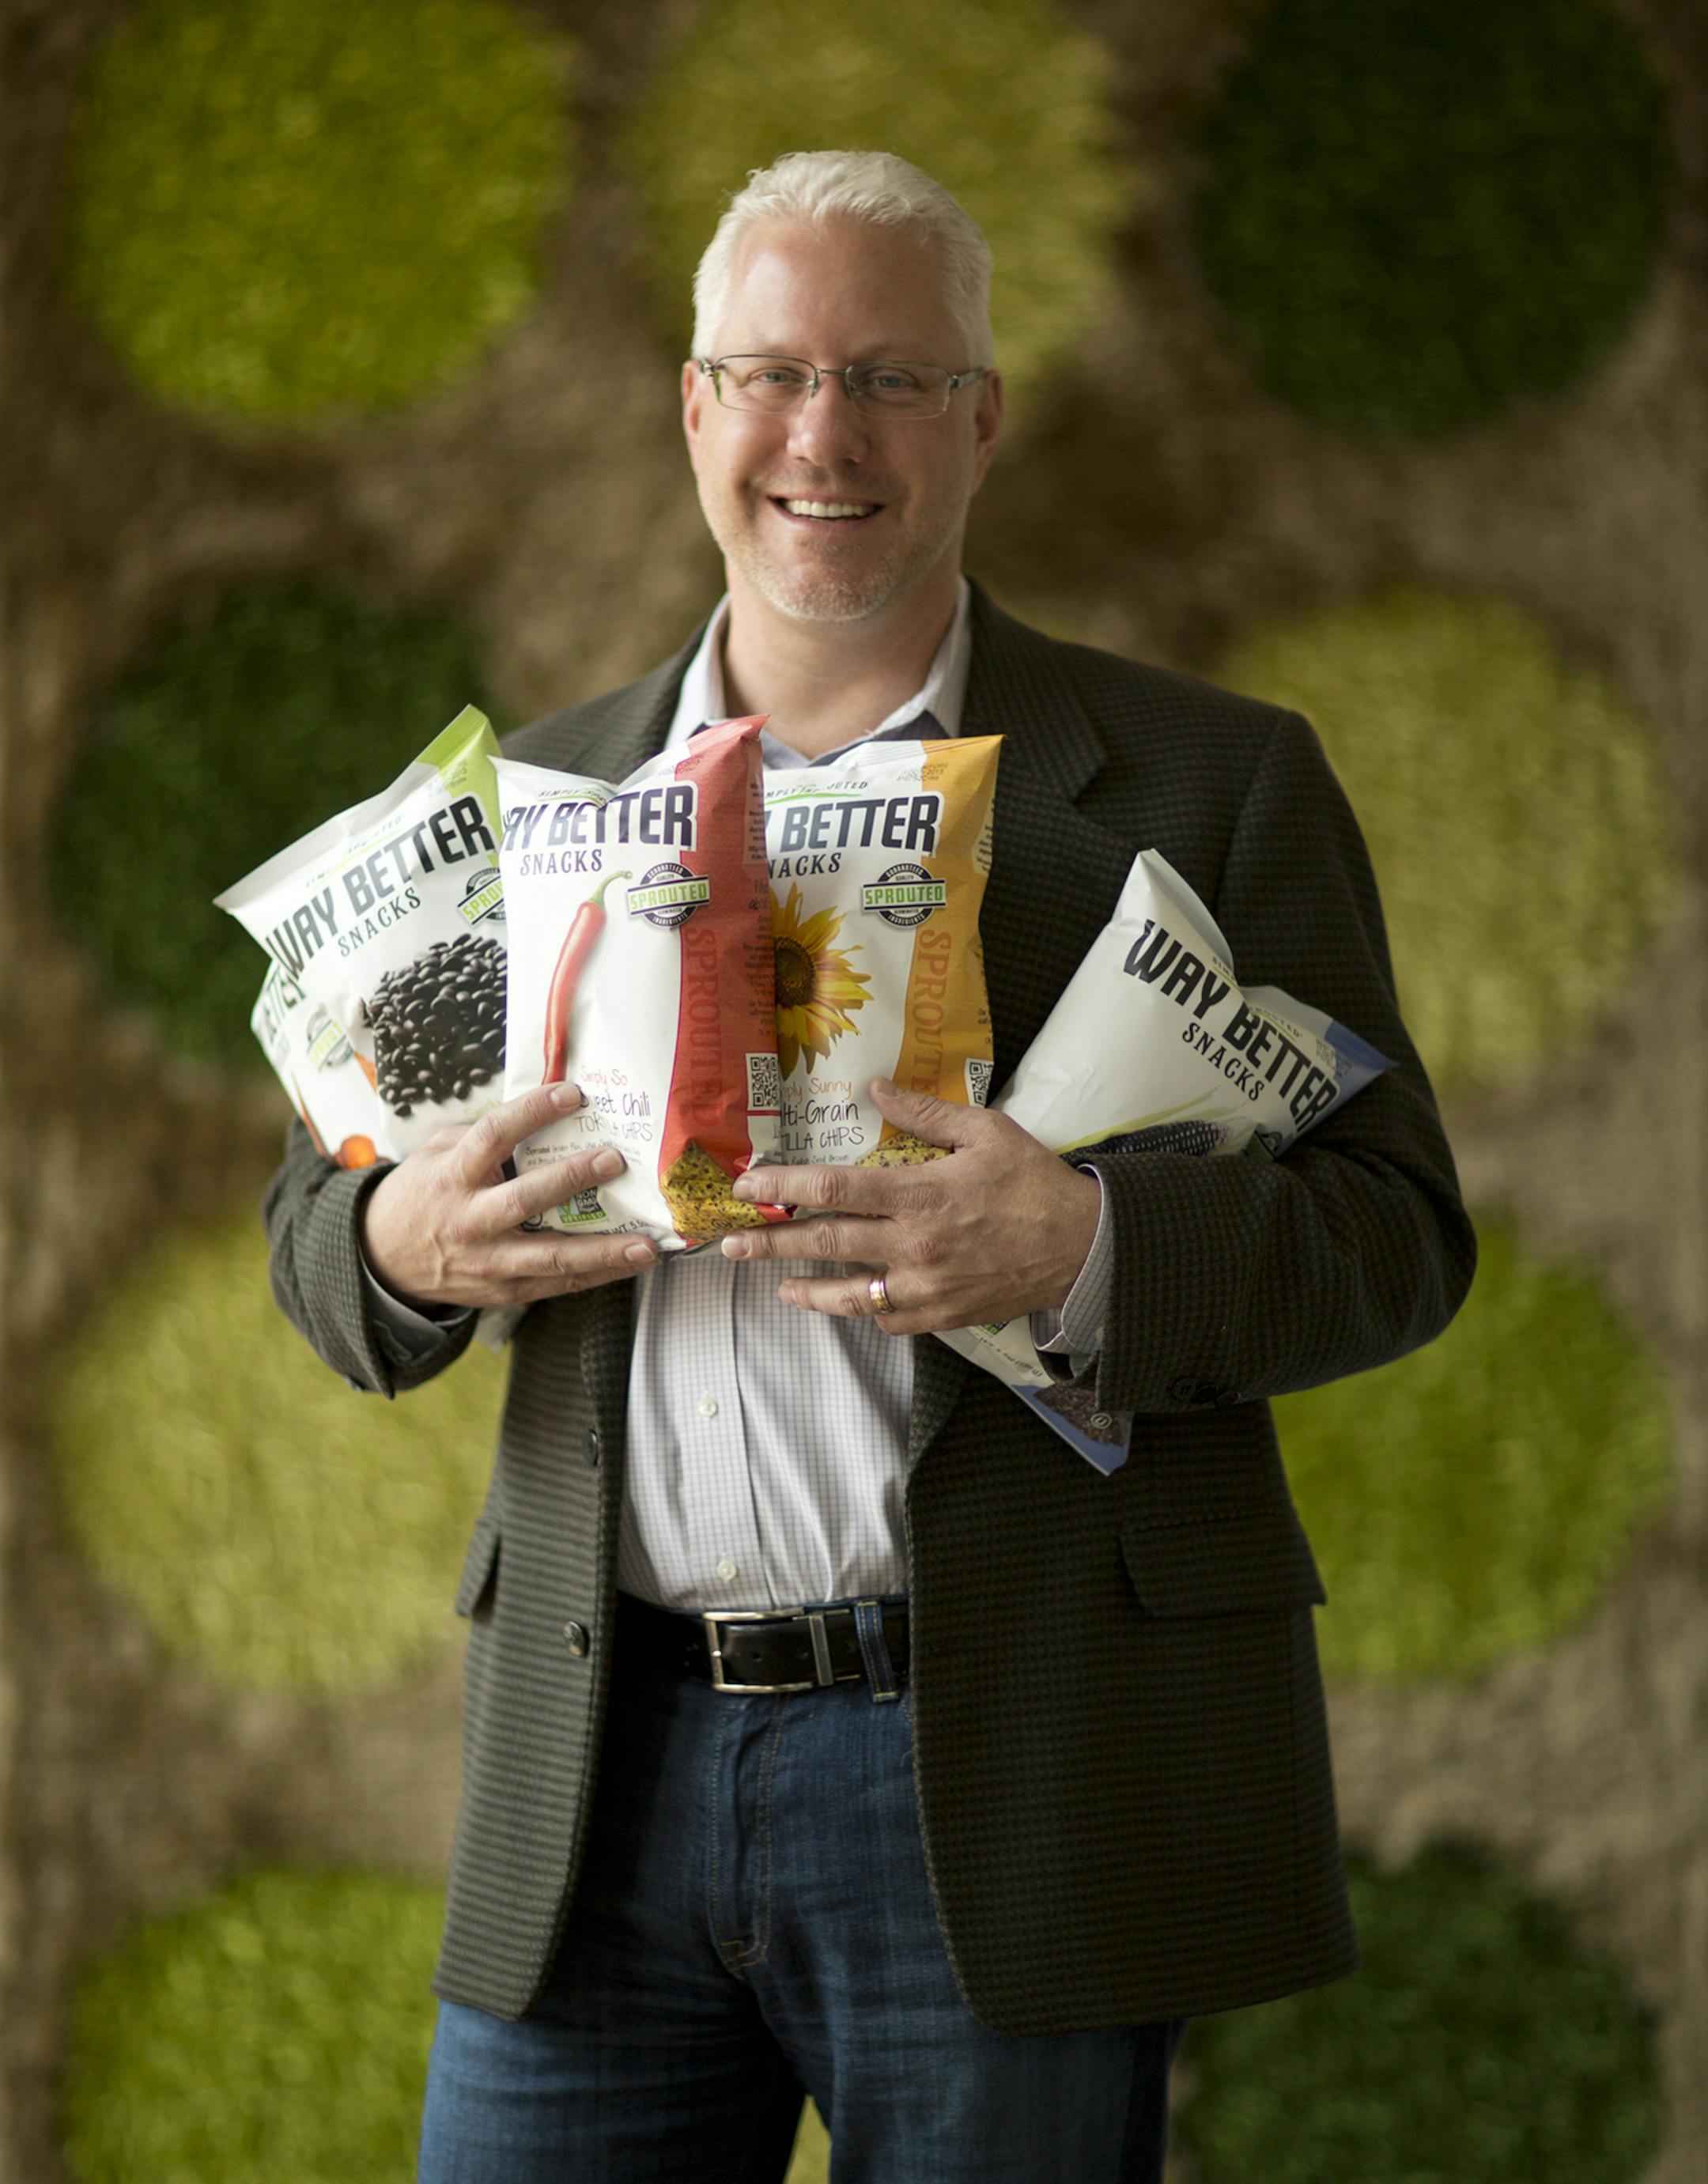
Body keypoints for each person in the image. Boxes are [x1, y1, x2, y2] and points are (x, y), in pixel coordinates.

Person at [263, 150, 1476, 2182]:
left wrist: (1084, 1245)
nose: (825, 434)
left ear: (983, 420)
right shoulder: (531, 807)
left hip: (1007, 1770)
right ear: (694, 409)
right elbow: (315, 1231)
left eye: (896, 379)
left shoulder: (1210, 781)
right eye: (773, 373)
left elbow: (1399, 1238)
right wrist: (403, 1236)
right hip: (599, 1771)